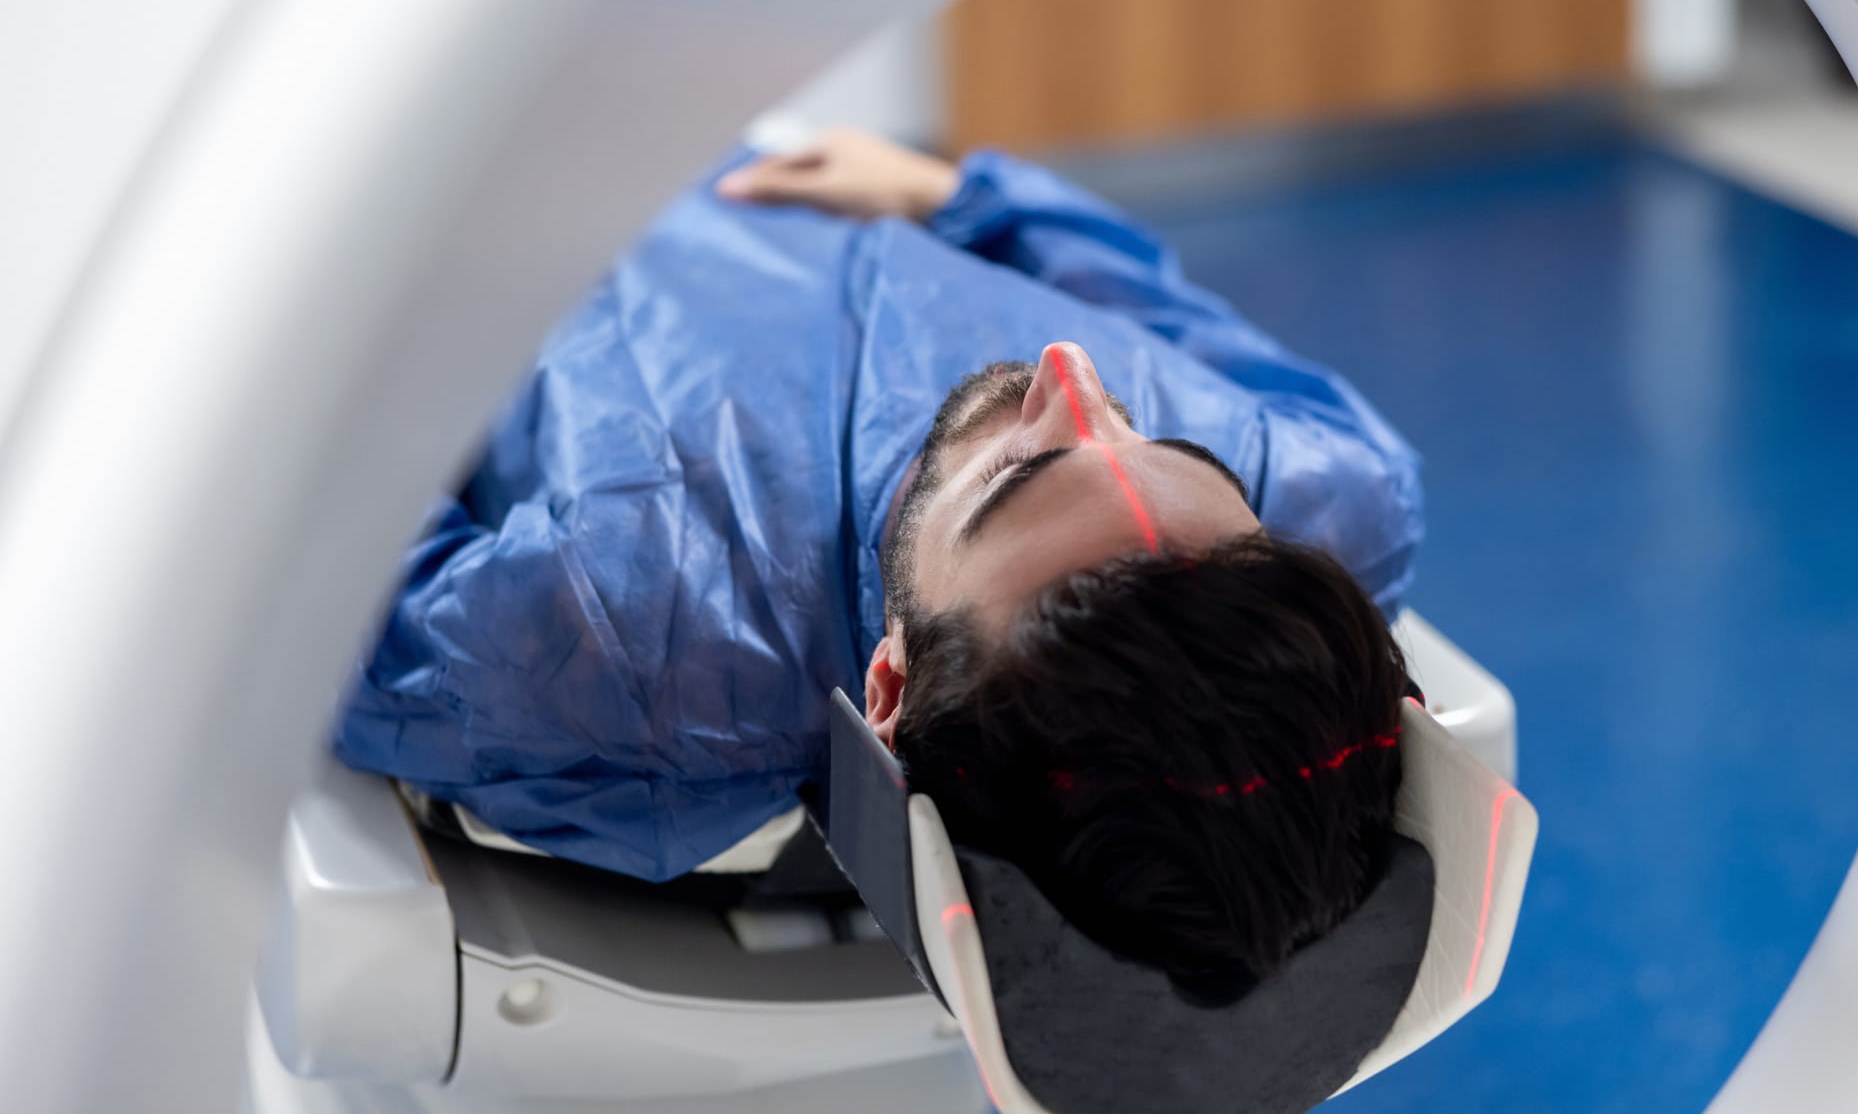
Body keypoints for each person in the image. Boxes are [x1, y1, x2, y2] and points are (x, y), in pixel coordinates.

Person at [335, 130, 1425, 1002]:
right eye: (1163, 441)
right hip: (718, 147)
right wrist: (952, 195)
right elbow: (1143, 299)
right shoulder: (1335, 493)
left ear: (892, 686)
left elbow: (317, 567)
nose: (1072, 374)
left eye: (1010, 480)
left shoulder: (618, 648)